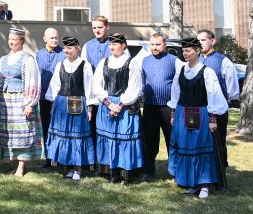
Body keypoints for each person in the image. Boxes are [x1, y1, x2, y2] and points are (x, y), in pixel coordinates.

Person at [168, 37, 228, 199]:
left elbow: (214, 95)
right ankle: (190, 182)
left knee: (200, 147)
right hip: (182, 112)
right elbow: (176, 93)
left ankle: (204, 184)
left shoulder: (206, 72)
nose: (185, 54)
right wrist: (173, 114)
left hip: (199, 113)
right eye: (183, 51)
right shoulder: (181, 70)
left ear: (197, 51)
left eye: (188, 51)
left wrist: (213, 119)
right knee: (185, 146)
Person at [92, 33, 144, 183]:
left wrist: (119, 106)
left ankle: (125, 172)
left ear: (124, 45)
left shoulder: (131, 63)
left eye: (115, 44)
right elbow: (97, 86)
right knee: (109, 138)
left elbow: (134, 88)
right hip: (108, 104)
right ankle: (110, 171)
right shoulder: (104, 62)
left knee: (124, 138)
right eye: (110, 44)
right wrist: (108, 104)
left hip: (125, 106)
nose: (112, 47)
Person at [44, 36, 96, 181]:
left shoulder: (85, 65)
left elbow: (89, 87)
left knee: (76, 136)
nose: (66, 50)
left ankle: (78, 168)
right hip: (61, 103)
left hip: (77, 102)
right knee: (65, 135)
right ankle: (68, 167)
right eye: (65, 48)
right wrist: (53, 104)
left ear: (77, 49)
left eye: (70, 48)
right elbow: (55, 86)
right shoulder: (60, 64)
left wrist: (90, 107)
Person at [0, 26, 44, 177]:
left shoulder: (27, 59)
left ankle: (21, 166)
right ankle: (14, 162)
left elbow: (32, 81)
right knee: (10, 132)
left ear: (21, 41)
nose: (11, 42)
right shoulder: (4, 59)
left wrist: (29, 103)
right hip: (6, 102)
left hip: (21, 100)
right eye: (10, 39)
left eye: (15, 40)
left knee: (23, 132)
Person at [141, 32, 180, 181]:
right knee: (150, 140)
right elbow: (141, 82)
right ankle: (149, 171)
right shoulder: (144, 61)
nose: (154, 47)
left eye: (158, 44)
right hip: (150, 106)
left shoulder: (174, 60)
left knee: (172, 139)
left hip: (168, 107)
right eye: (152, 44)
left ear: (165, 44)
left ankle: (175, 171)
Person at [198, 29, 240, 168]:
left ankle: (221, 170)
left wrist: (231, 99)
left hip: (217, 109)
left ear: (212, 41)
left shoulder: (223, 60)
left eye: (203, 40)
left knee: (218, 141)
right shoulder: (195, 59)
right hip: (199, 108)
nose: (200, 43)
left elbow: (232, 84)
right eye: (198, 41)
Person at [81, 15, 111, 147]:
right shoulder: (87, 46)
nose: (97, 30)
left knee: (107, 127)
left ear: (107, 27)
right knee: (92, 126)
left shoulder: (114, 44)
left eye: (100, 27)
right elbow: (84, 72)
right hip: (92, 93)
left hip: (110, 92)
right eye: (94, 28)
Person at [35, 27, 63, 168]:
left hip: (59, 98)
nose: (54, 40)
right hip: (43, 98)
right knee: (46, 128)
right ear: (44, 39)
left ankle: (58, 158)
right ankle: (48, 158)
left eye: (56, 37)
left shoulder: (64, 53)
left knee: (58, 128)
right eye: (51, 37)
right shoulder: (38, 55)